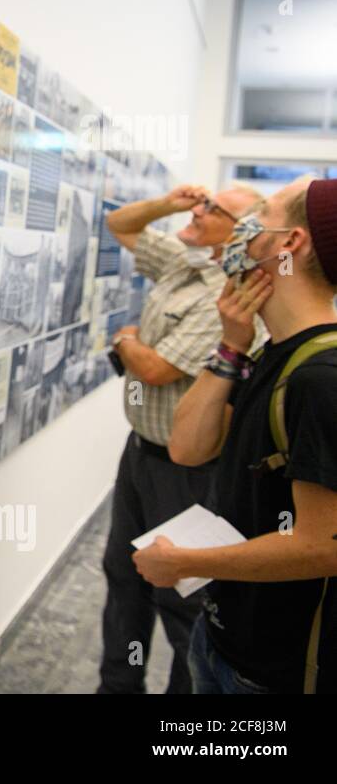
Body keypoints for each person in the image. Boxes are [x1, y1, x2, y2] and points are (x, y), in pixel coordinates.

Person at [135, 177, 337, 694]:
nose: (241, 229)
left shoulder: (321, 378)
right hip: (226, 636)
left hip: (277, 671)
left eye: (264, 210)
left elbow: (322, 546)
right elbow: (188, 447)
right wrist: (231, 347)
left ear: (289, 243)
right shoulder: (274, 350)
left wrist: (184, 563)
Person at [95, 181, 264, 694]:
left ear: (241, 237)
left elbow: (155, 369)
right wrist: (172, 205)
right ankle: (118, 686)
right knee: (123, 575)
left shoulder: (230, 296)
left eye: (215, 209)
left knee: (180, 596)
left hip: (187, 469)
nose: (202, 208)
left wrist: (125, 338)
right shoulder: (182, 260)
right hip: (141, 452)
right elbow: (120, 224)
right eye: (205, 199)